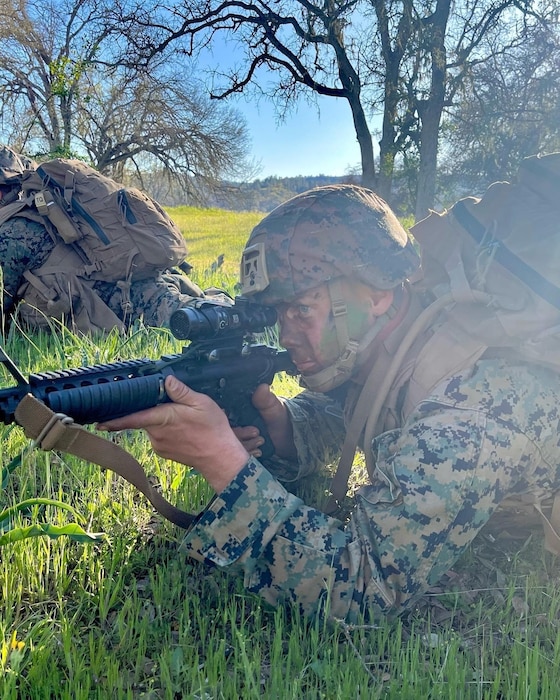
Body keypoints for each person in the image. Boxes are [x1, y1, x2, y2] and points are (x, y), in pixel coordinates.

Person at [98, 184, 560, 622]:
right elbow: (351, 411)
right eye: (276, 315)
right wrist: (282, 424)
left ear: (376, 295)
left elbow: (365, 588)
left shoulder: (469, 411)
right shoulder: (394, 338)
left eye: (301, 309)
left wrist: (223, 463)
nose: (285, 335)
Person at [0, 145, 203, 331]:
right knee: (205, 314)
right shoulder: (49, 202)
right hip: (143, 287)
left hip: (107, 310)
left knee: (195, 321)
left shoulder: (12, 230)